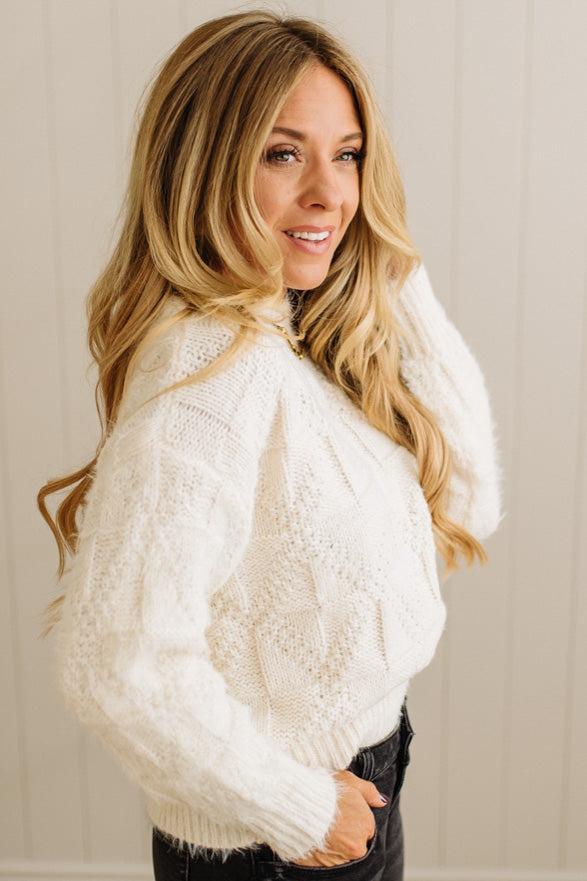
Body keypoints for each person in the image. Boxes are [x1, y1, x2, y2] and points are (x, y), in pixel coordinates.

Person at [36, 9, 504, 881]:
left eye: (348, 155)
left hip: (363, 782)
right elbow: (115, 661)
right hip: (276, 843)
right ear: (204, 165)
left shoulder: (297, 340)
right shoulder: (211, 364)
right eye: (283, 153)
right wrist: (294, 806)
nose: (328, 192)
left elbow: (469, 500)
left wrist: (389, 267)